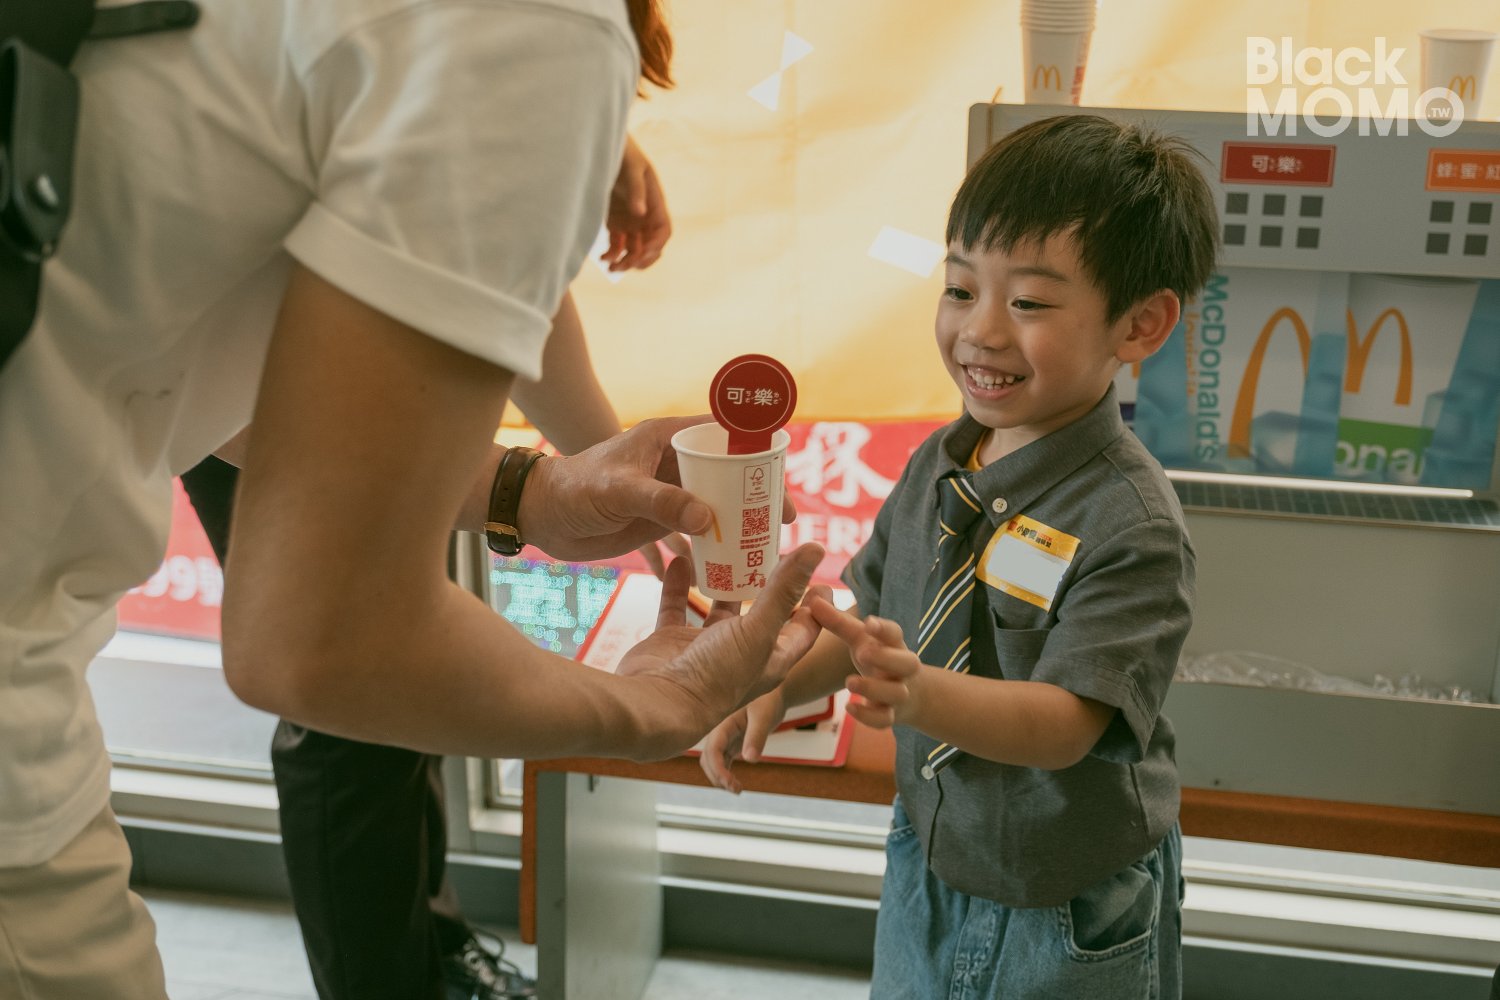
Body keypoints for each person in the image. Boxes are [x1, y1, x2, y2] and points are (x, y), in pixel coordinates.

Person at [0, 3, 825, 998]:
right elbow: (321, 638)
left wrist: (530, 487)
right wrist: (665, 703)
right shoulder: (526, 25)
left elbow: (188, 352)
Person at [701, 113, 1219, 999]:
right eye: (958, 289)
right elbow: (868, 627)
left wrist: (919, 694)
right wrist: (777, 681)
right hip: (933, 848)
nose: (980, 331)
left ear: (1140, 325)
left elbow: (1065, 726)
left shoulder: (1132, 522)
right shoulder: (940, 461)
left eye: (1029, 302)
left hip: (1069, 893)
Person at [182, 141, 682, 1000]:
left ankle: (433, 955)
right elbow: (218, 399)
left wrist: (610, 483)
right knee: (351, 707)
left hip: (293, 351)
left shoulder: (496, 88)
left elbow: (509, 282)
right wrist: (535, 492)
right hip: (231, 373)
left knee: (387, 690)